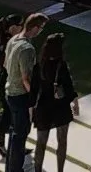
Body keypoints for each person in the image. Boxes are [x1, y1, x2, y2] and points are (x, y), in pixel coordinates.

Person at [4, 13, 48, 172]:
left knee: (15, 133)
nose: (41, 31)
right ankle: (15, 169)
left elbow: (5, 64)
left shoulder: (13, 40)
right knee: (20, 135)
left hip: (9, 92)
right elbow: (26, 79)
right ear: (35, 28)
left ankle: (11, 167)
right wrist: (36, 99)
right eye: (41, 28)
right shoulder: (27, 49)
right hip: (20, 96)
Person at [31, 33, 79, 172]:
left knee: (41, 143)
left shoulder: (39, 66)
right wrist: (75, 102)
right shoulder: (61, 65)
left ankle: (37, 169)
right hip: (61, 107)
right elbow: (69, 87)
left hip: (43, 108)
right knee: (62, 142)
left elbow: (33, 90)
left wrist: (31, 109)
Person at [0, 13, 22, 164]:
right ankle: (0, 143)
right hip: (6, 81)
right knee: (10, 112)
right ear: (13, 28)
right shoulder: (7, 44)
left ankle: (8, 143)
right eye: (20, 25)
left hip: (4, 80)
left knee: (10, 111)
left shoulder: (4, 41)